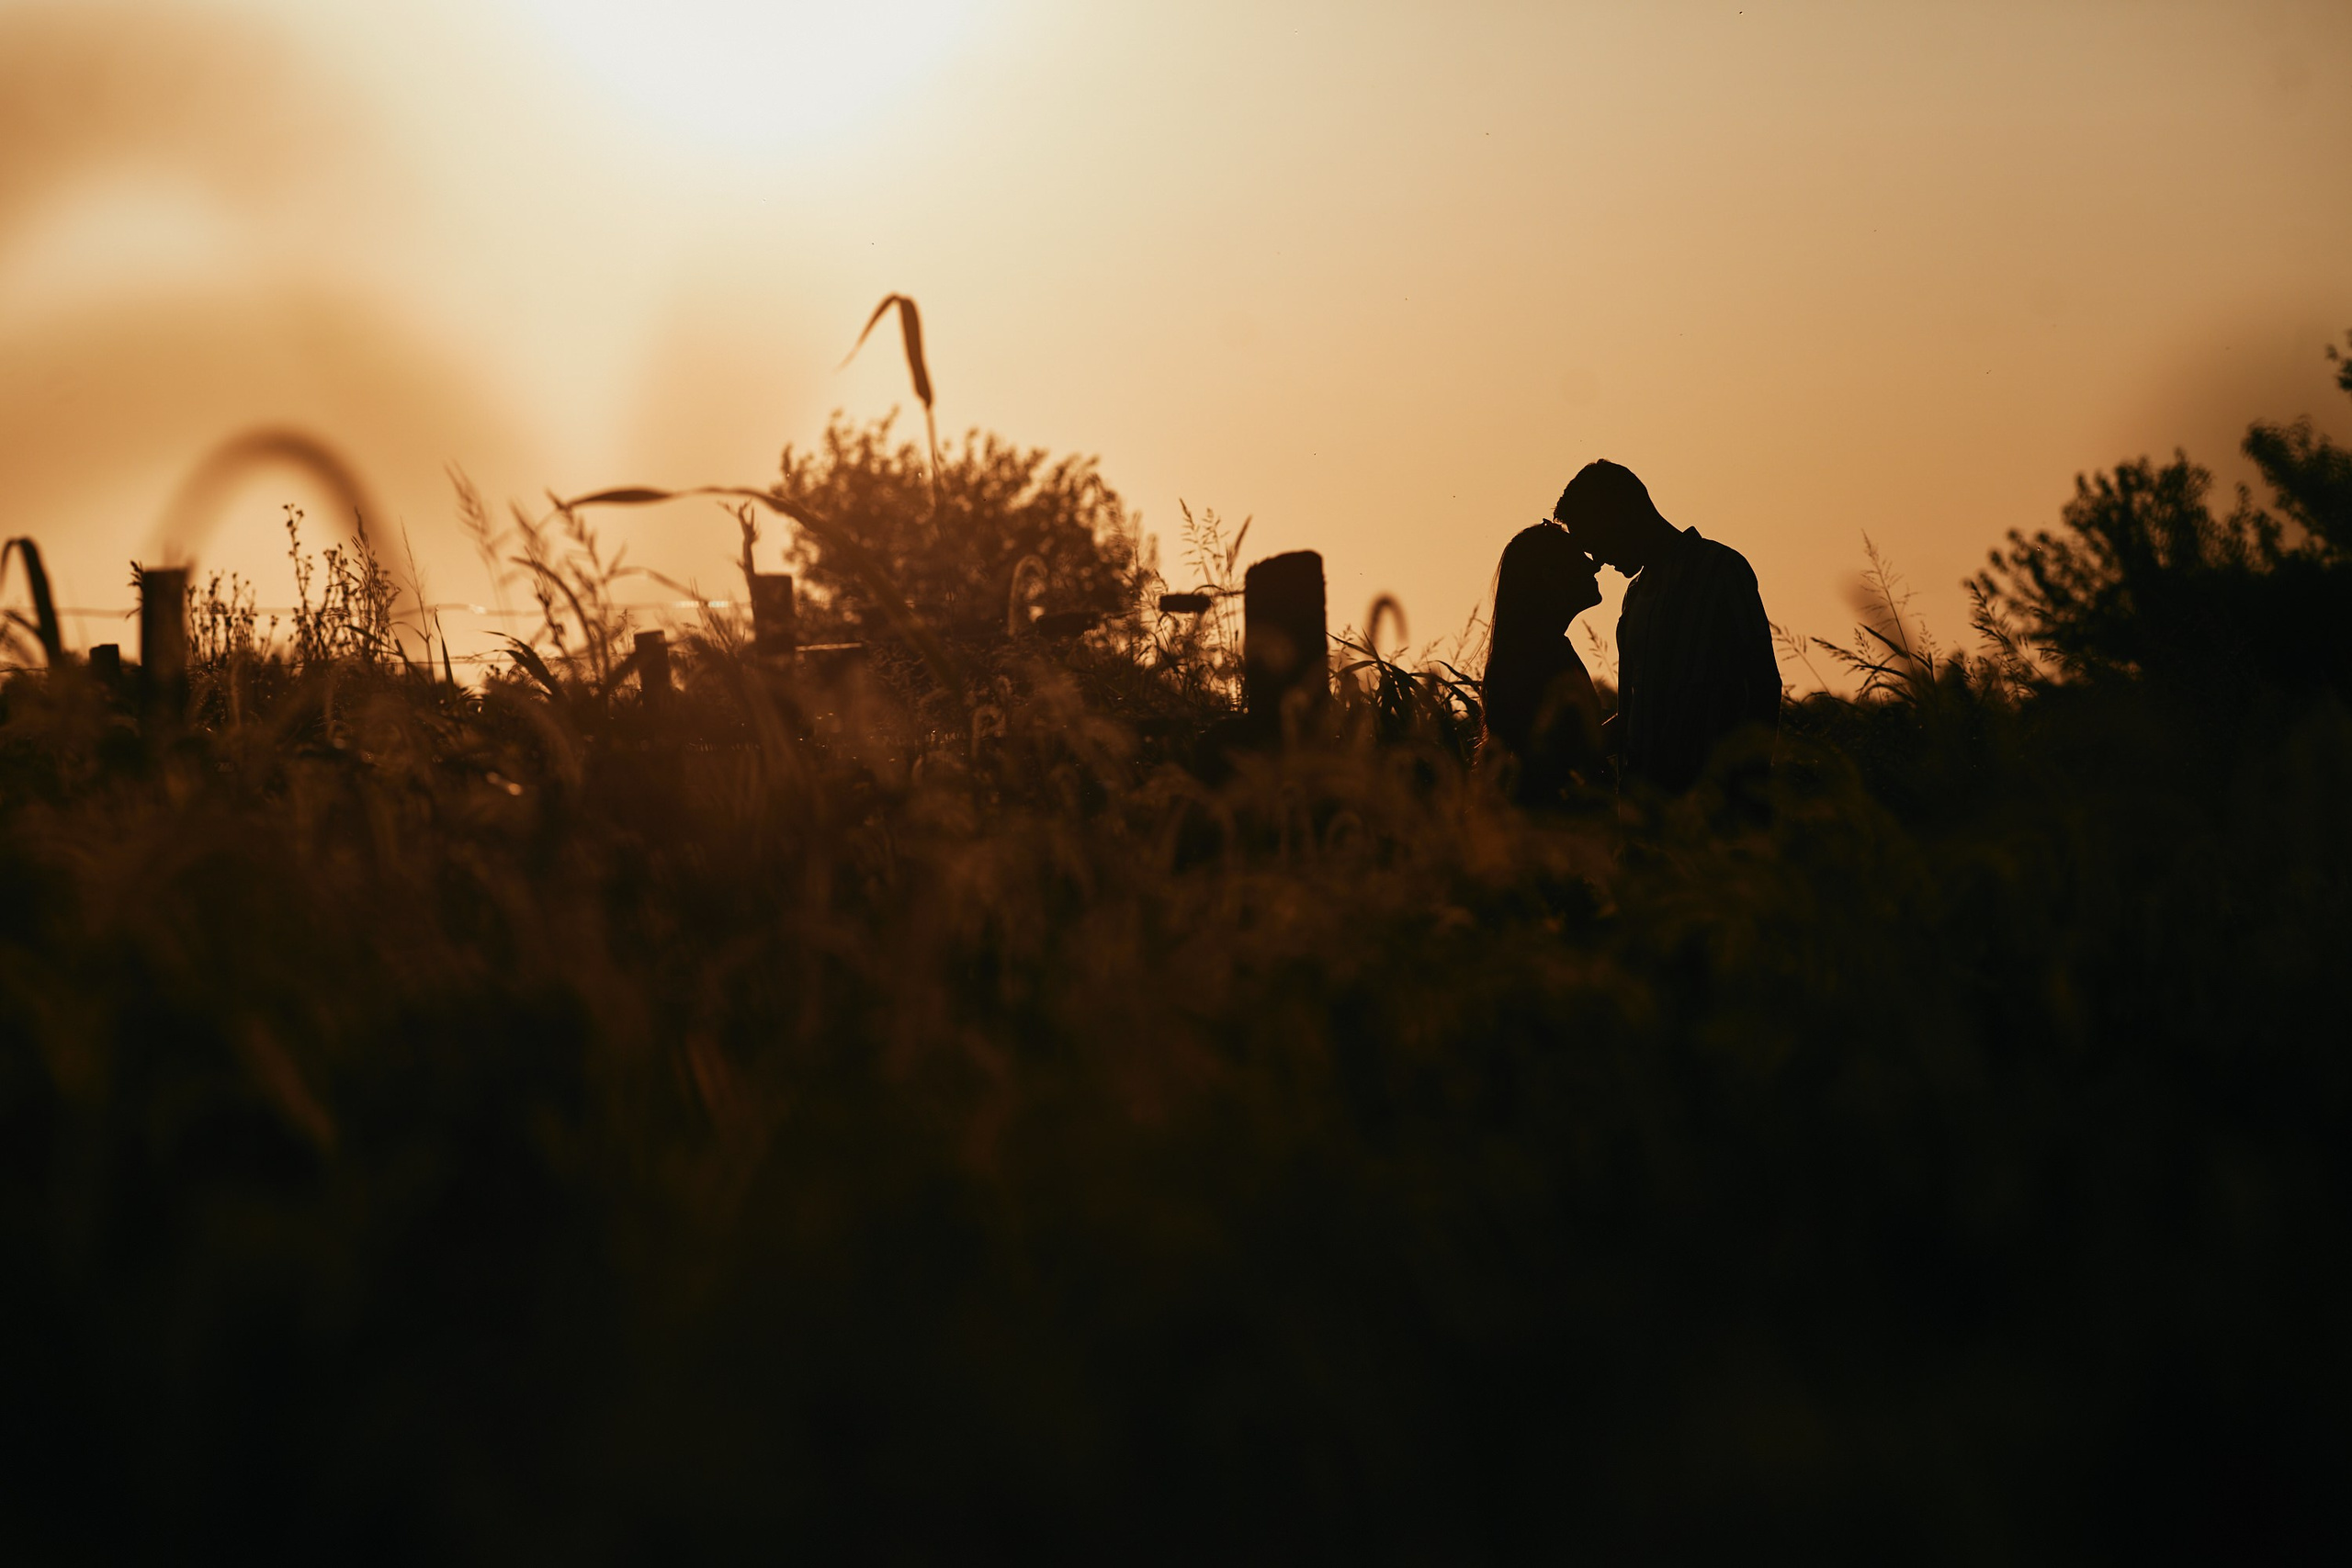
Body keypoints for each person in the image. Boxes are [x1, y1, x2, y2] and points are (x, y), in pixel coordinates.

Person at [1553, 460, 1780, 797]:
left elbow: (1764, 684)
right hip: (1647, 815)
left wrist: (1749, 783)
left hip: (1714, 810)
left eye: (1596, 543)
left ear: (1621, 516)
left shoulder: (1721, 570)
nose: (1598, 560)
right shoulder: (1634, 598)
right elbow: (1638, 716)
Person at [1478, 522, 1607, 807]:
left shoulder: (1539, 648)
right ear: (1550, 574)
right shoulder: (1538, 655)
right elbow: (1565, 751)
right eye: (1580, 557)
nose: (1595, 566)